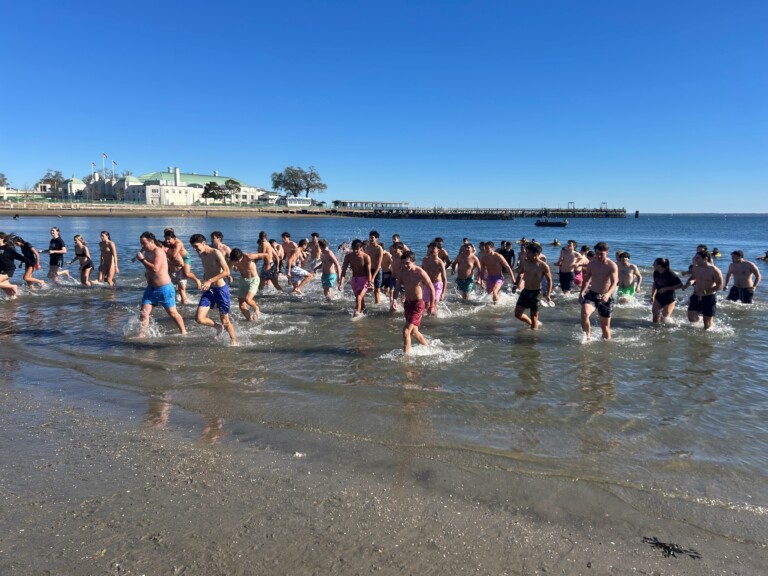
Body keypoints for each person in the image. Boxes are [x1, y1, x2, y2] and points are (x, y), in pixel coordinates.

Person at [135, 231, 186, 337]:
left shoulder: (158, 251)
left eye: (144, 243)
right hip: (151, 288)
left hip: (164, 288)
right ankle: (142, 334)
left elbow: (155, 269)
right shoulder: (146, 250)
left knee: (172, 313)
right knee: (144, 312)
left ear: (151, 241)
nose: (142, 246)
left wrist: (142, 260)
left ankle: (184, 332)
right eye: (141, 243)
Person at [189, 233, 237, 345]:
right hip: (209, 290)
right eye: (193, 247)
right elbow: (207, 270)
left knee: (225, 321)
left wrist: (209, 281)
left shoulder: (216, 253)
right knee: (199, 319)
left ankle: (234, 340)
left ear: (204, 243)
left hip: (220, 290)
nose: (195, 249)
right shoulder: (201, 254)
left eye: (196, 247)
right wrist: (204, 281)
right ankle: (218, 327)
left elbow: (226, 271)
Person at [395, 251, 435, 353]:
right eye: (403, 263)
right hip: (407, 304)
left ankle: (406, 357)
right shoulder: (402, 272)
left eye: (407, 263)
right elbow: (397, 287)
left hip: (418, 305)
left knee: (406, 331)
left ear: (414, 262)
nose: (405, 265)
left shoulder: (420, 273)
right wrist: (393, 300)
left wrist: (432, 305)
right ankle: (429, 348)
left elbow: (431, 288)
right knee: (414, 332)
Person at [579, 242, 619, 340]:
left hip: (606, 297)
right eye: (597, 254)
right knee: (584, 314)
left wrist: (607, 294)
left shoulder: (611, 265)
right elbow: (587, 279)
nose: (599, 256)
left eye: (602, 254)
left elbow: (614, 282)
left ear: (607, 252)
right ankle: (587, 338)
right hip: (592, 294)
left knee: (605, 328)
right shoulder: (592, 264)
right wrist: (582, 292)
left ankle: (606, 349)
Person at [514, 243, 552, 329]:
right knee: (517, 314)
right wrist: (516, 284)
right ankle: (531, 323)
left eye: (528, 252)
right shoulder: (525, 262)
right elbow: (521, 273)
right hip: (525, 291)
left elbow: (549, 280)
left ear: (535, 254)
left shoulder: (543, 266)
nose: (526, 254)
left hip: (536, 293)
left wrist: (548, 295)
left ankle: (533, 339)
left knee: (534, 317)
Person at [683, 250, 723, 330]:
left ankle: (707, 327)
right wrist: (688, 284)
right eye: (695, 258)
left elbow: (719, 286)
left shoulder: (714, 270)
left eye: (697, 258)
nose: (695, 260)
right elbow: (693, 278)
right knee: (691, 318)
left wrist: (704, 292)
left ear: (705, 259)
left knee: (706, 326)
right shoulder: (696, 268)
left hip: (709, 297)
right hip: (696, 295)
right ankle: (700, 320)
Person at [229, 248, 270, 321]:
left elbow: (266, 255)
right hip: (243, 281)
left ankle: (256, 308)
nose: (237, 262)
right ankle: (250, 320)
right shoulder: (233, 260)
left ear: (242, 256)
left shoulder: (249, 256)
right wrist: (229, 276)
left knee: (248, 299)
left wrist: (267, 265)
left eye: (238, 260)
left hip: (253, 280)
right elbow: (227, 270)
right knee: (241, 306)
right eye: (236, 261)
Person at [339, 239, 372, 318]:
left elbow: (368, 271)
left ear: (361, 247)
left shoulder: (366, 257)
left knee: (359, 297)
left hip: (364, 280)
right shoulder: (348, 257)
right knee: (360, 300)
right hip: (354, 280)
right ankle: (364, 314)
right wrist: (341, 283)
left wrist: (370, 282)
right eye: (354, 249)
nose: (356, 251)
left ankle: (356, 315)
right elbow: (343, 271)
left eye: (357, 248)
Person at [0, 233, 34, 297]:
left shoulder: (8, 248)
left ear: (2, 238)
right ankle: (14, 301)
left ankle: (14, 286)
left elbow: (20, 257)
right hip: (1, 269)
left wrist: (32, 263)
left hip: (8, 269)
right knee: (7, 291)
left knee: (6, 286)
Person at [650, 258, 683, 323]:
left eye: (654, 263)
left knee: (664, 319)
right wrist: (652, 295)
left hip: (669, 299)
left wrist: (666, 288)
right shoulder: (656, 272)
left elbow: (680, 285)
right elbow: (655, 284)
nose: (652, 265)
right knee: (655, 317)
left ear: (659, 265)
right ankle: (654, 331)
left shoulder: (670, 274)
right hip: (658, 297)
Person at [421, 242, 447, 316]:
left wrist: (443, 293)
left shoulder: (440, 263)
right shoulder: (425, 260)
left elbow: (444, 279)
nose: (431, 249)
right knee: (426, 305)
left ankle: (434, 318)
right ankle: (427, 319)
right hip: (427, 284)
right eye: (429, 248)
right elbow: (422, 273)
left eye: (433, 248)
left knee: (433, 304)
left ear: (438, 250)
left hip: (437, 285)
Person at [366, 231, 385, 304]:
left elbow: (379, 264)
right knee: (367, 287)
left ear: (377, 238)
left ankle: (377, 304)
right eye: (370, 237)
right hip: (369, 269)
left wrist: (373, 277)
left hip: (377, 270)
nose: (370, 239)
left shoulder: (379, 248)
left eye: (372, 237)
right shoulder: (368, 247)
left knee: (377, 290)